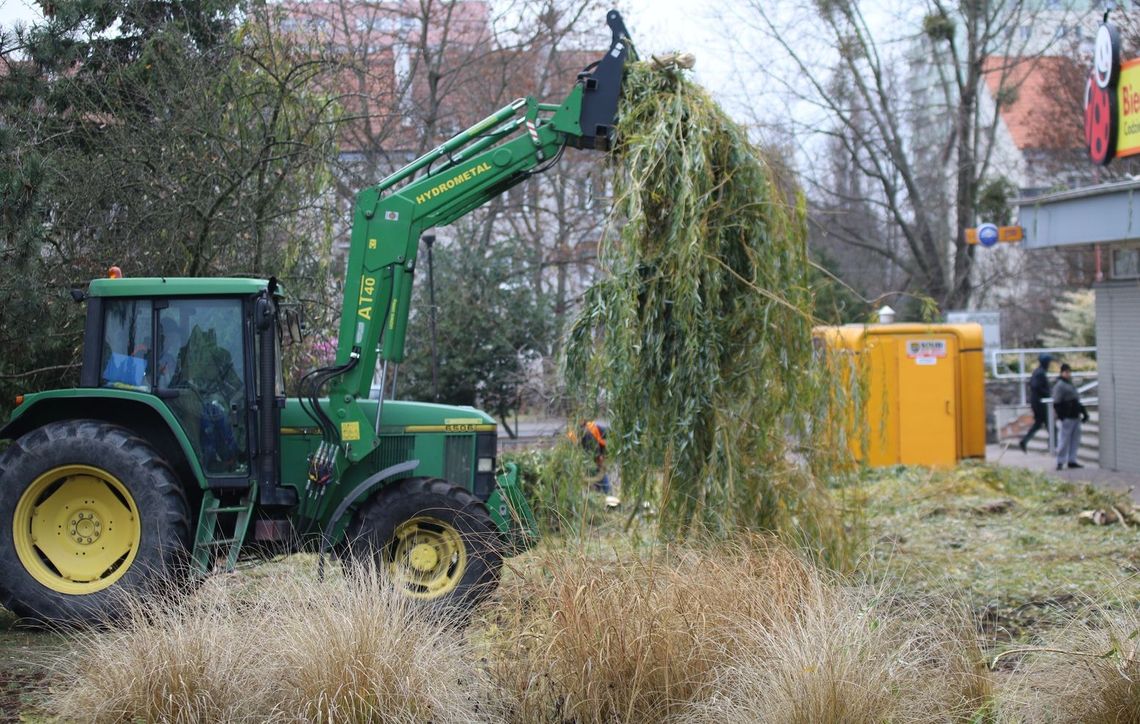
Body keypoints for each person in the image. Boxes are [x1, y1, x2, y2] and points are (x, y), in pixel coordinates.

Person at [1052, 363, 1089, 471]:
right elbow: (1057, 402)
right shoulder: (1060, 385)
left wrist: (1084, 413)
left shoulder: (1070, 384)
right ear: (1062, 372)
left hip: (1075, 415)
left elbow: (1077, 401)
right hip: (1067, 416)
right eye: (1066, 372)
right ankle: (1060, 461)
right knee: (1064, 440)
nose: (1068, 374)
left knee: (1075, 439)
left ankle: (1071, 460)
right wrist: (1061, 416)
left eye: (1069, 372)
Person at [1019, 354, 1053, 453]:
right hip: (1040, 403)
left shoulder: (1038, 372)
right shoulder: (1040, 373)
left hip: (1038, 402)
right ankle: (1052, 446)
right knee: (1051, 426)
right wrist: (1047, 394)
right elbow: (1036, 386)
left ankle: (1024, 441)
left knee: (1039, 424)